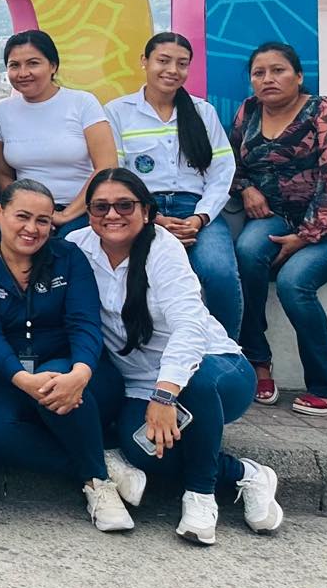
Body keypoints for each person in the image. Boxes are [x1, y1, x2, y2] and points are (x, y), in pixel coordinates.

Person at [74, 169, 285, 546]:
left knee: (197, 383)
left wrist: (164, 395)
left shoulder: (163, 248)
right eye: (100, 207)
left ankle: (201, 496)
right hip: (140, 385)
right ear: (88, 213)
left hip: (216, 368)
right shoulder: (77, 247)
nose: (112, 215)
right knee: (143, 454)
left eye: (125, 205)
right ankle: (246, 474)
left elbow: (190, 327)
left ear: (147, 211)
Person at [0, 179, 135, 532]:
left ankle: (97, 483)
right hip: (8, 374)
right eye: (22, 216)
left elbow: (84, 322)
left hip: (75, 369)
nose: (32, 228)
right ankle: (102, 461)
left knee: (58, 387)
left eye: (42, 220)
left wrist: (80, 372)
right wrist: (23, 379)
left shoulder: (68, 257)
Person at [228, 41, 327, 415]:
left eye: (278, 70)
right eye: (259, 73)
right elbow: (229, 163)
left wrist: (304, 237)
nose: (268, 79)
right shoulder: (248, 112)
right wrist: (247, 188)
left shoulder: (326, 112)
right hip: (277, 215)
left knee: (294, 283)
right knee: (246, 253)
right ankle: (257, 362)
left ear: (299, 76)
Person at [104, 32, 240, 333]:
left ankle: (227, 350)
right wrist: (153, 218)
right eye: (163, 61)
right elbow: (117, 175)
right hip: (140, 211)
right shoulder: (118, 112)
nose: (172, 70)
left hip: (196, 209)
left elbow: (222, 171)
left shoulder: (203, 112)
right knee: (136, 276)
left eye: (182, 64)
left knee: (219, 272)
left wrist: (200, 218)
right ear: (144, 61)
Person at [0, 30, 116, 235]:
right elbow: (3, 173)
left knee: (67, 245)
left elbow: (106, 166)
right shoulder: (3, 111)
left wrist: (65, 215)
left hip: (82, 210)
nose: (23, 73)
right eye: (14, 65)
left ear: (53, 66)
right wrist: (24, 211)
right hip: (27, 212)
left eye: (33, 63)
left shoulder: (82, 103)